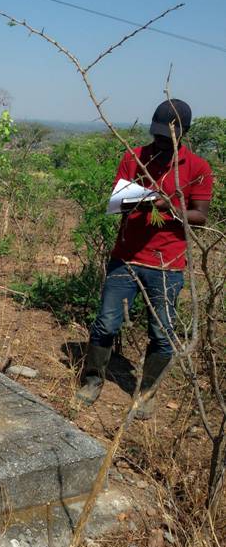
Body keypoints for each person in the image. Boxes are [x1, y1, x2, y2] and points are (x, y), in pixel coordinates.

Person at [76, 99, 213, 419]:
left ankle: (147, 393)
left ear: (183, 134)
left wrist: (170, 207)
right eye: (157, 135)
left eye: (167, 137)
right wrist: (146, 198)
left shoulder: (198, 168)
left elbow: (200, 216)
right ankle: (93, 380)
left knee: (162, 334)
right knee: (106, 323)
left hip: (167, 265)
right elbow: (118, 202)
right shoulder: (134, 157)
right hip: (126, 258)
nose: (160, 142)